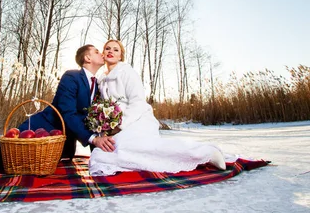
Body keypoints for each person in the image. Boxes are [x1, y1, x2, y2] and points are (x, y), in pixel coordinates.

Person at [0, 44, 115, 170]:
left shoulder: (97, 85)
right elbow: (67, 112)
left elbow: (92, 117)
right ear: (87, 57)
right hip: (43, 125)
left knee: (23, 165)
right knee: (6, 151)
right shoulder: (72, 76)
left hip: (59, 141)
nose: (101, 53)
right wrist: (92, 139)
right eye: (97, 51)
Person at [89, 40, 230, 176]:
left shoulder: (127, 72)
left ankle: (205, 152)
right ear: (103, 53)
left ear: (121, 55)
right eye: (108, 48)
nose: (111, 51)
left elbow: (137, 102)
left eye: (115, 49)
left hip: (137, 120)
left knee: (134, 147)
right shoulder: (101, 79)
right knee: (104, 153)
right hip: (116, 126)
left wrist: (121, 124)